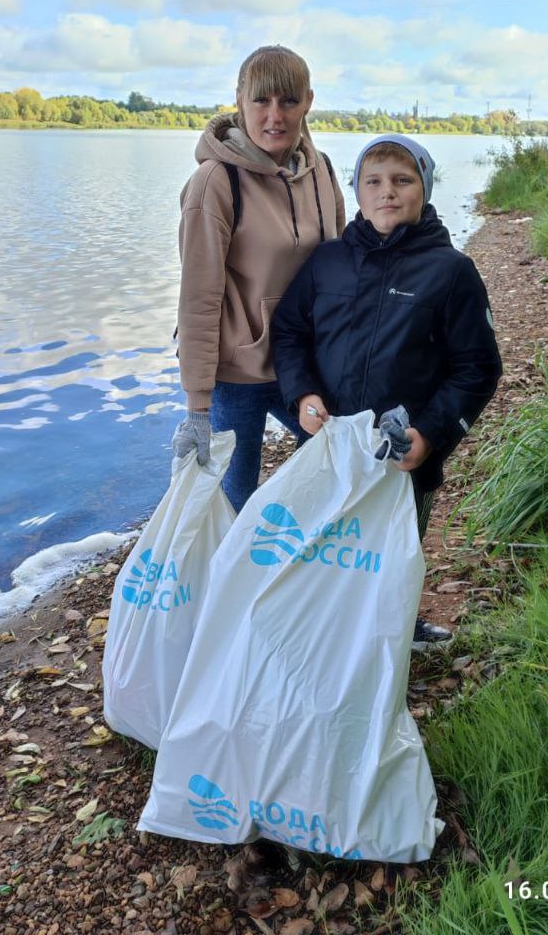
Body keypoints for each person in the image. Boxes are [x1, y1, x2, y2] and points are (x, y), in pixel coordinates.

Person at [271, 134, 502, 647]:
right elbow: (289, 333)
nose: (387, 192)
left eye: (402, 180)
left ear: (425, 187)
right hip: (330, 450)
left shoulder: (452, 271)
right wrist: (303, 395)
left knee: (394, 555)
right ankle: (326, 637)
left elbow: (478, 368)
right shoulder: (327, 262)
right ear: (356, 191)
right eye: (372, 181)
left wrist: (429, 434)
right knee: (328, 548)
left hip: (405, 460)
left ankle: (395, 635)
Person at [171, 45, 346, 512]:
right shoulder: (215, 182)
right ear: (239, 100)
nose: (275, 116)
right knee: (233, 503)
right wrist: (196, 406)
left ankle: (298, 577)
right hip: (237, 375)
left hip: (306, 367)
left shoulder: (322, 171)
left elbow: (346, 269)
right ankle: (231, 584)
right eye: (261, 101)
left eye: (288, 101)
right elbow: (198, 299)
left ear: (308, 101)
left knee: (332, 470)